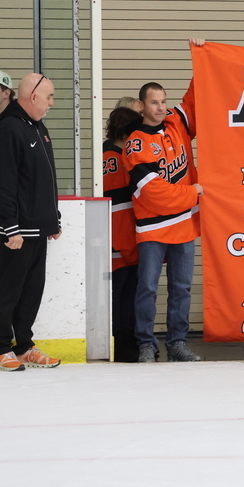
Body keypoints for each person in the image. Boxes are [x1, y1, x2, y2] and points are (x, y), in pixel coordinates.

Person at [126, 62, 204, 363]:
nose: (161, 107)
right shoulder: (134, 145)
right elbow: (155, 195)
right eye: (154, 102)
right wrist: (193, 192)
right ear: (141, 106)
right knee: (146, 288)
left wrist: (202, 59)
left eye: (163, 101)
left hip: (184, 225)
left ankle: (177, 344)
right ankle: (147, 344)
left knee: (181, 288)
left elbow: (195, 100)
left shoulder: (176, 123)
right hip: (152, 228)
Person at [0, 73, 63, 372]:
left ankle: (24, 346)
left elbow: (47, 177)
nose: (51, 103)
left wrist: (52, 218)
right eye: (49, 97)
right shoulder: (9, 129)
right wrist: (10, 226)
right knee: (9, 290)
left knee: (32, 290)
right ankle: (2, 349)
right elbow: (4, 183)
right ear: (33, 97)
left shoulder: (37, 127)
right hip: (16, 231)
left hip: (38, 227)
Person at [103, 106, 144, 362]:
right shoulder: (121, 158)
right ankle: (124, 345)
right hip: (123, 237)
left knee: (121, 294)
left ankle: (123, 343)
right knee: (124, 295)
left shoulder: (105, 153)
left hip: (115, 237)